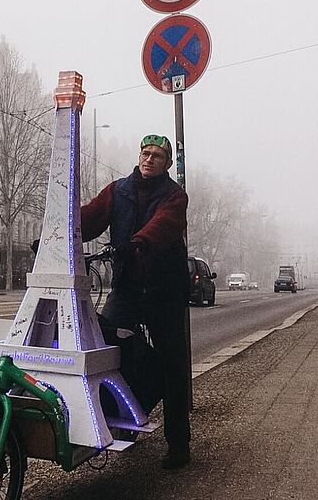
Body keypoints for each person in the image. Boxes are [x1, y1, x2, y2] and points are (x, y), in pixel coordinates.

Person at [81, 133, 192, 470]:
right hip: (127, 286)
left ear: (167, 163)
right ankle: (121, 414)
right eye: (145, 153)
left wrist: (138, 242)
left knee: (173, 364)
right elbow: (90, 218)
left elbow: (164, 225)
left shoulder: (174, 196)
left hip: (164, 290)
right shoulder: (119, 190)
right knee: (105, 346)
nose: (149, 159)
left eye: (157, 155)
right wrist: (56, 234)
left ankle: (178, 444)